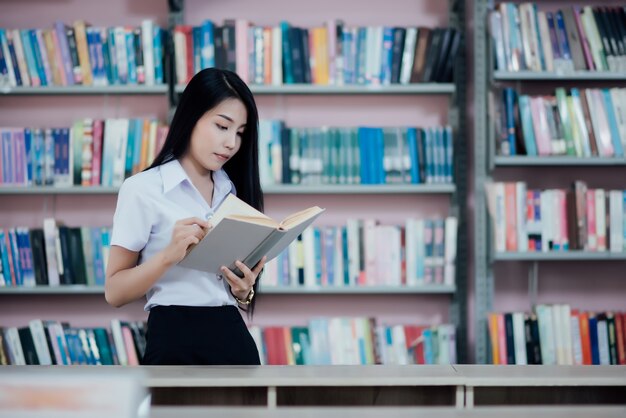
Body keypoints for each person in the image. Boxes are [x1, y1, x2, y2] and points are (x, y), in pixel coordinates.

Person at [105, 68, 266, 365]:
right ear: (192, 117)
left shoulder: (232, 190)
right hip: (173, 336)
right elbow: (114, 292)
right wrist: (168, 255)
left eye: (240, 133)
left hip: (232, 336)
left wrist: (244, 292)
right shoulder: (142, 189)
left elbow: (235, 294)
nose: (232, 142)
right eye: (222, 126)